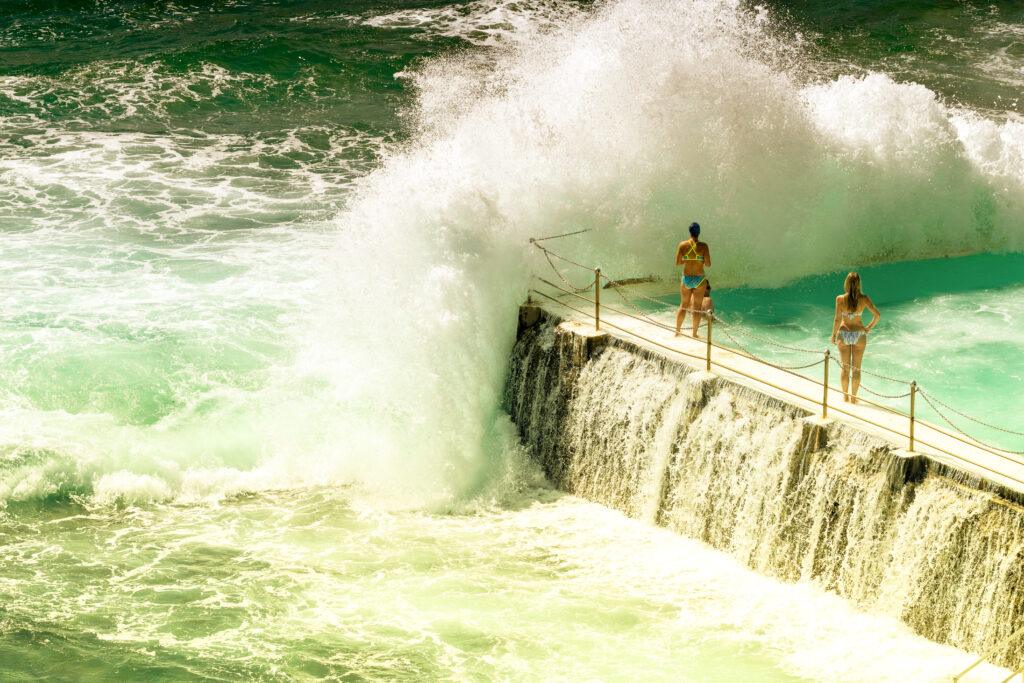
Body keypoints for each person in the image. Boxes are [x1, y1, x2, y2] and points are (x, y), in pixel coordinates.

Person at [829, 272, 880, 404]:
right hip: (859, 334)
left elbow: (837, 319)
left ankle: (845, 397)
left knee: (845, 368)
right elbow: (877, 315)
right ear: (859, 285)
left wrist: (834, 335)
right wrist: (869, 327)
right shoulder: (864, 299)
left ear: (846, 283)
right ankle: (853, 399)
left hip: (844, 333)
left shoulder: (839, 299)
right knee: (856, 369)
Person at [675, 222, 711, 337]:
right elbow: (708, 264)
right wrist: (699, 260)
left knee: (683, 306)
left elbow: (678, 263)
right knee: (697, 308)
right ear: (699, 233)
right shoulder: (703, 246)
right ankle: (694, 334)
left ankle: (677, 332)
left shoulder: (682, 245)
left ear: (689, 232)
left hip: (686, 278)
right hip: (699, 279)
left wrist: (687, 259)